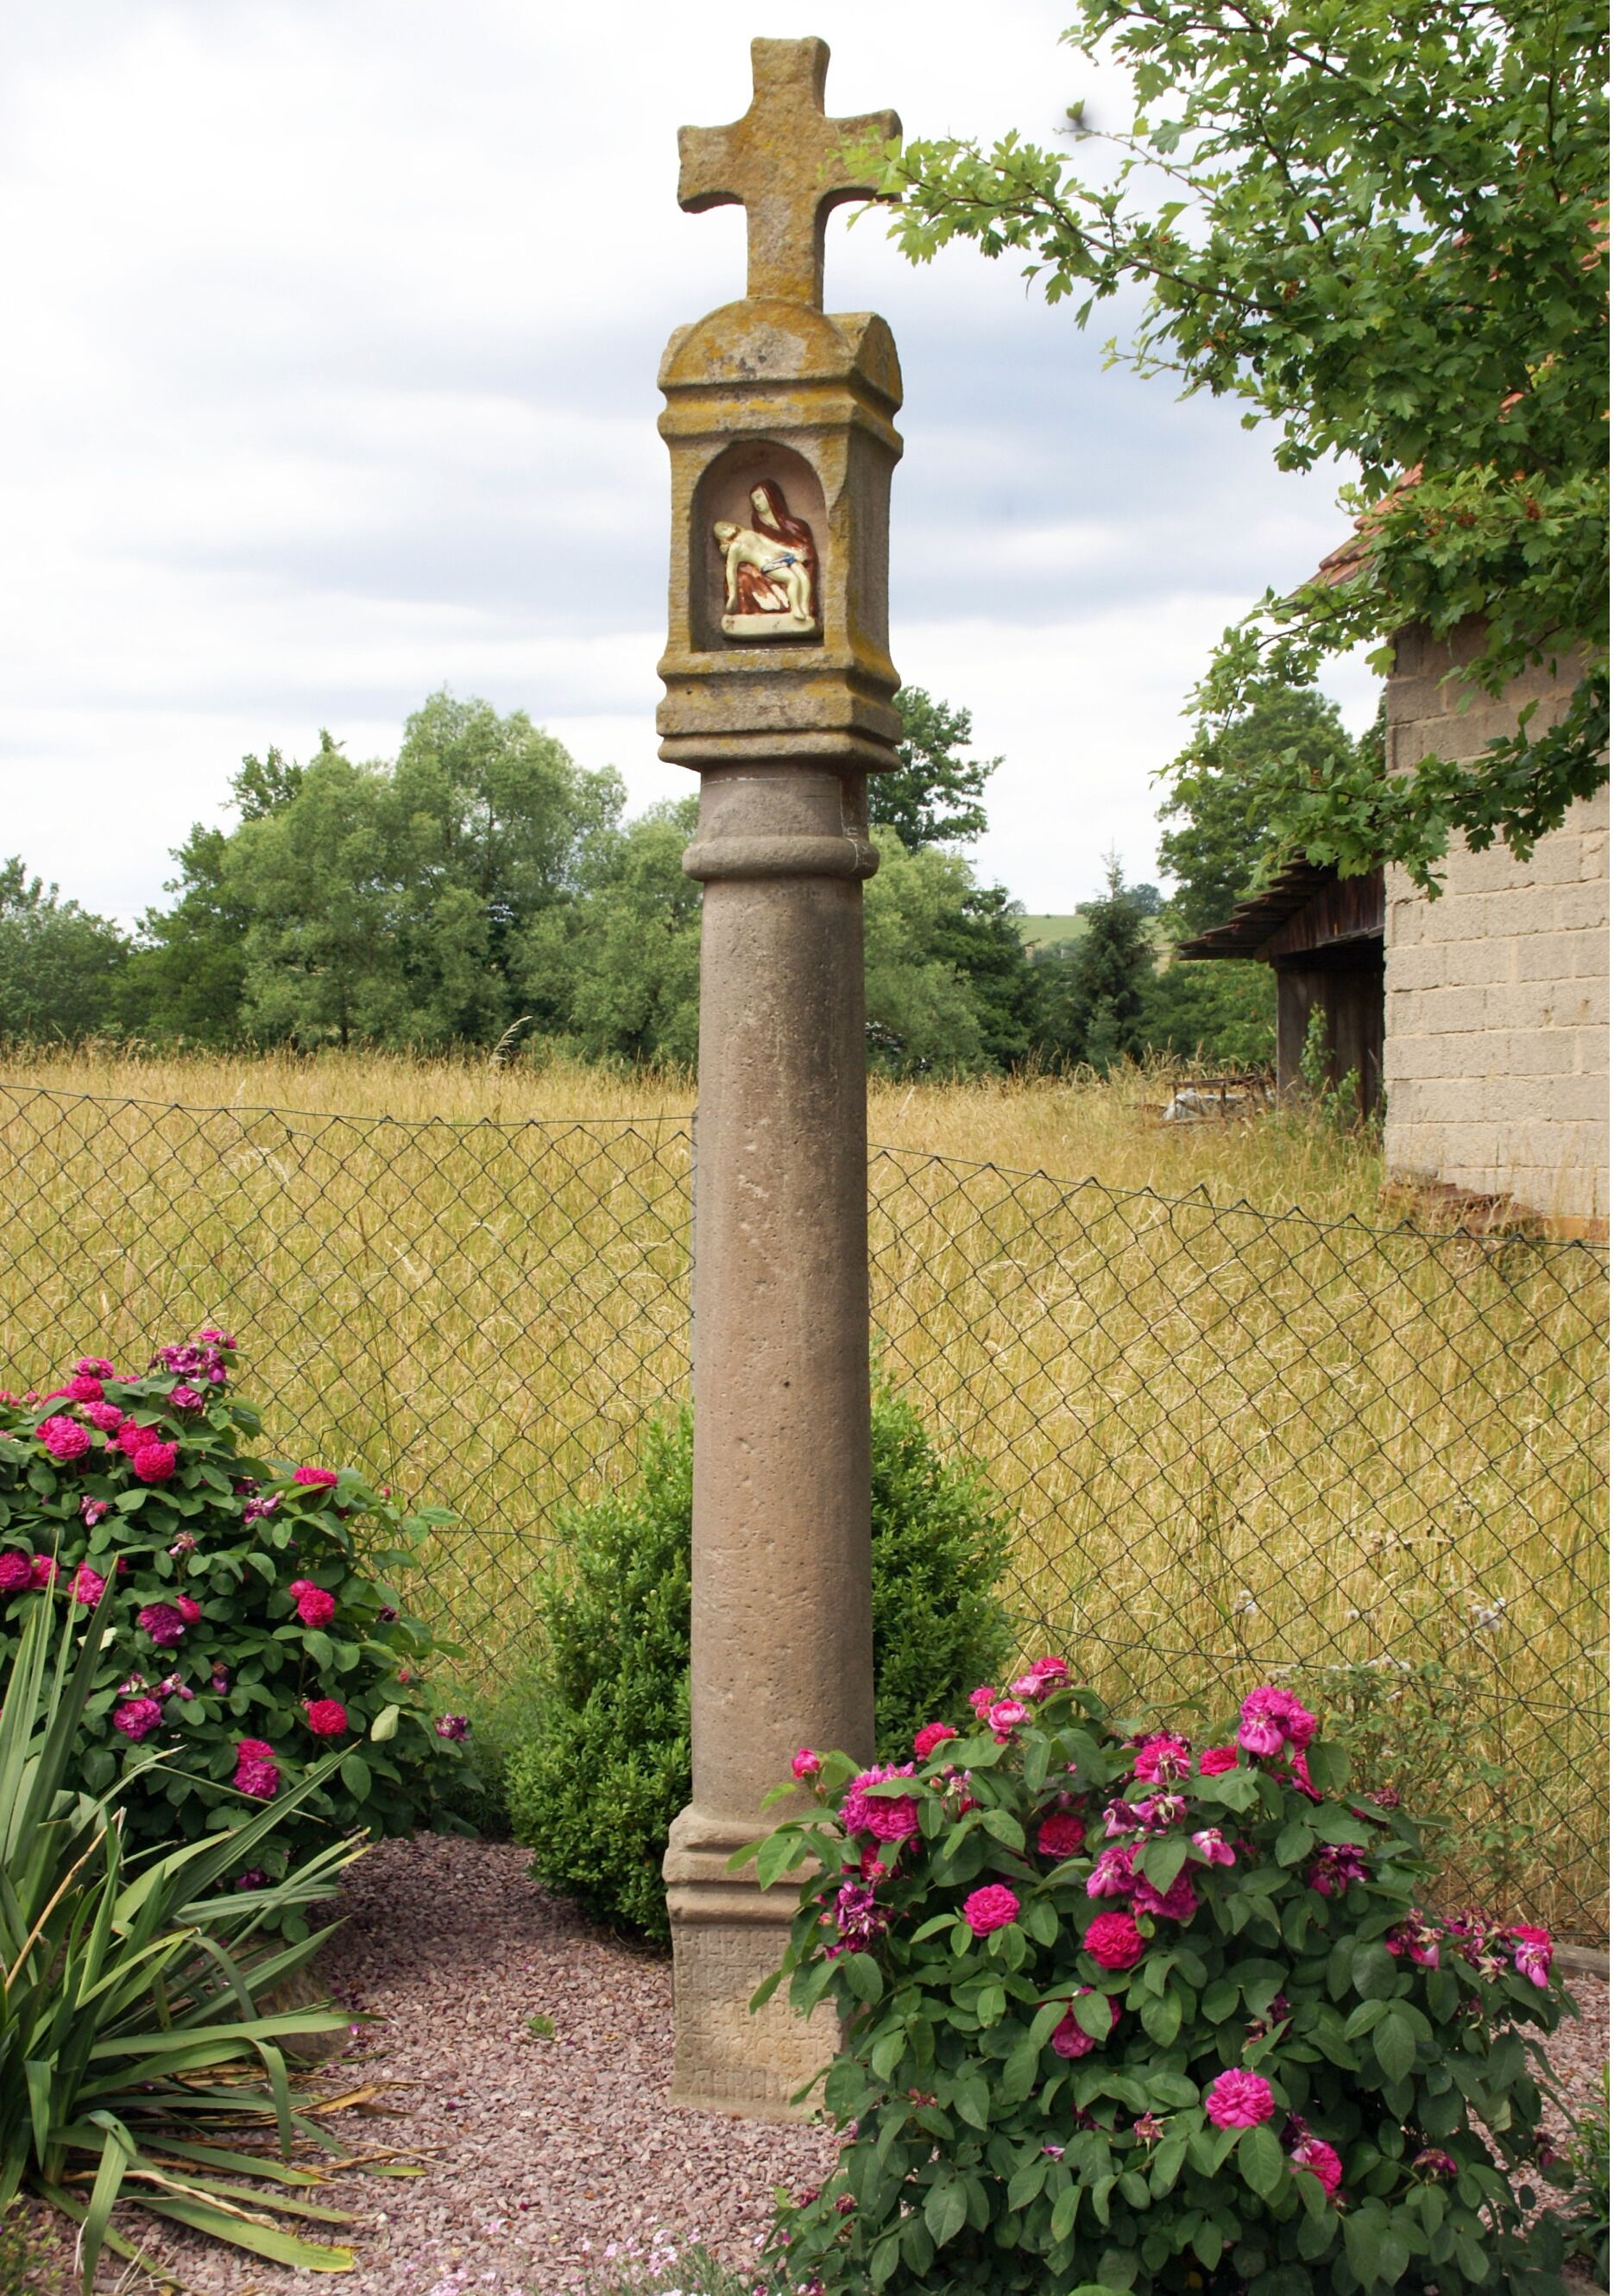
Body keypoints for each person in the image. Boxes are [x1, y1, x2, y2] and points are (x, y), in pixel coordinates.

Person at [713, 477, 817, 628]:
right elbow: (731, 570)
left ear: (771, 497)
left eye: (759, 497)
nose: (756, 503)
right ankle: (795, 610)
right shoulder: (750, 534)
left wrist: (793, 552)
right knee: (790, 579)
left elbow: (771, 544)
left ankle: (806, 610)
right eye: (753, 500)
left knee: (803, 577)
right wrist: (733, 596)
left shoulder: (795, 526)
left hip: (785, 557)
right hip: (770, 565)